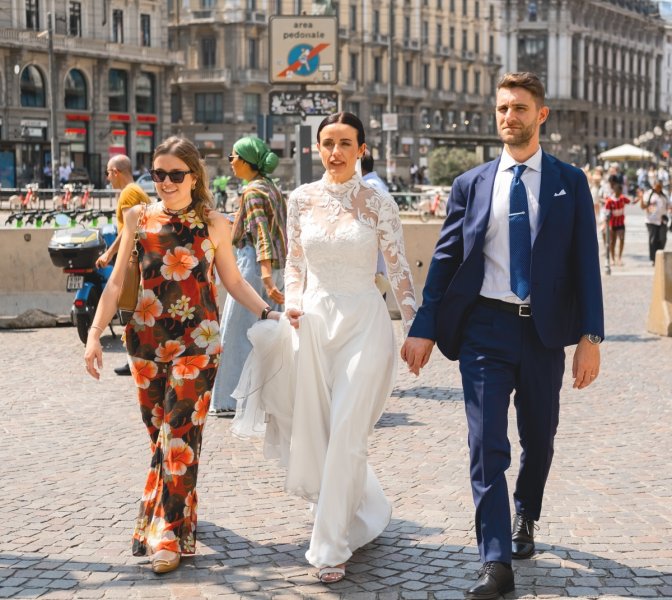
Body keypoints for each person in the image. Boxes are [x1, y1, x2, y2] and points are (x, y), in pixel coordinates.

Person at [401, 72, 604, 600]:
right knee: (486, 444)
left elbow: (586, 263)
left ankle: (525, 513)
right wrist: (424, 327)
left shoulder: (569, 181)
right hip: (484, 332)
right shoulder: (471, 183)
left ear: (542, 115)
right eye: (501, 109)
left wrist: (591, 336)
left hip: (543, 334)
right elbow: (445, 261)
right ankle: (495, 562)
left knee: (539, 438)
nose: (508, 117)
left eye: (518, 108)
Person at [232, 112, 417, 583]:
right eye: (327, 143)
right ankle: (366, 505)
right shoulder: (300, 199)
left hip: (364, 322)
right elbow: (295, 263)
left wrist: (416, 327)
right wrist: (292, 302)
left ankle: (330, 545)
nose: (335, 152)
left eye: (345, 143)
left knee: (349, 425)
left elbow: (397, 270)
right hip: (313, 323)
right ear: (317, 148)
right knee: (322, 429)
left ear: (361, 149)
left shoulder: (378, 201)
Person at [83, 136, 280, 575]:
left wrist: (269, 310)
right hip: (145, 343)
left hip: (198, 343)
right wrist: (95, 334)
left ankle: (168, 536)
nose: (166, 183)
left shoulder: (215, 222)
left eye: (176, 174)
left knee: (178, 440)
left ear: (194, 176)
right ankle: (182, 511)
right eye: (159, 174)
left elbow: (232, 280)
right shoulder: (138, 216)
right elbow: (116, 284)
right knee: (162, 438)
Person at [209, 137, 287, 417]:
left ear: (245, 161)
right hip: (278, 268)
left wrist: (264, 275)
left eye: (233, 156)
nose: (230, 162)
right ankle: (266, 398)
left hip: (254, 267)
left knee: (236, 333)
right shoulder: (271, 188)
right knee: (270, 336)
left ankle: (231, 400)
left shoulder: (252, 191)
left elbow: (261, 234)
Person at [95, 155, 151, 376]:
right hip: (140, 258)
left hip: (133, 259)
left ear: (116, 171)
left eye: (108, 173)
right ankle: (135, 359)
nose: (108, 178)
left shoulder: (128, 193)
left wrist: (109, 253)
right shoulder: (136, 191)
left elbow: (130, 227)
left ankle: (134, 360)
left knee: (130, 307)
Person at [639, 179, 671, 264]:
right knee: (653, 239)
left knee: (662, 238)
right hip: (651, 220)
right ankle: (654, 259)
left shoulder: (664, 194)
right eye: (657, 186)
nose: (659, 188)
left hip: (662, 220)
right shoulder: (648, 194)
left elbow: (669, 205)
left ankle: (660, 256)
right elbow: (643, 206)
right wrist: (641, 198)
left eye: (660, 186)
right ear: (654, 186)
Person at [604, 179, 631, 267]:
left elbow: (630, 202)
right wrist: (605, 223)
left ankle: (619, 257)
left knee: (622, 239)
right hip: (612, 223)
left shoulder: (623, 198)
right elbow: (606, 212)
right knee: (612, 242)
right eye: (619, 191)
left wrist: (639, 198)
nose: (620, 193)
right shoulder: (610, 201)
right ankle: (612, 258)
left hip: (621, 223)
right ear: (615, 191)